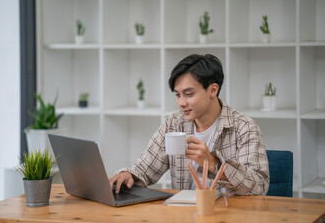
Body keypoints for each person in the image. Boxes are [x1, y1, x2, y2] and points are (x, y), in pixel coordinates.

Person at [109, 54, 269, 195]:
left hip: (227, 215)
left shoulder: (244, 127)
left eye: (189, 94)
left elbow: (259, 186)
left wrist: (213, 164)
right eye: (177, 95)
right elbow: (144, 169)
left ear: (213, 90)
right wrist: (128, 175)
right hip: (182, 215)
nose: (181, 103)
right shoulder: (173, 124)